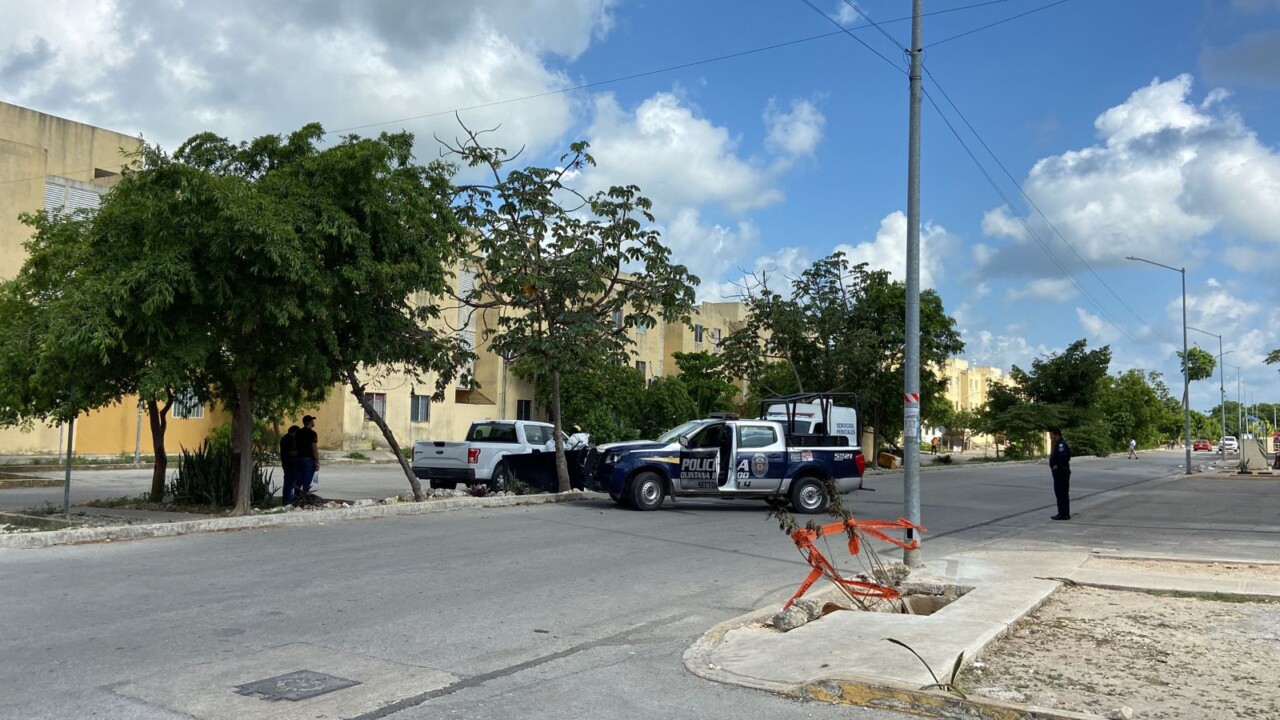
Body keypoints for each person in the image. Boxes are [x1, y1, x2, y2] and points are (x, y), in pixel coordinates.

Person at [1048, 427, 1071, 521]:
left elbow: (1064, 457)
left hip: (1061, 473)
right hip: (1059, 473)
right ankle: (1062, 513)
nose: (1050, 437)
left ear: (1056, 435)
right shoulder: (1058, 444)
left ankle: (1063, 514)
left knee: (1062, 494)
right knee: (1060, 494)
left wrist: (1057, 466)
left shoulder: (1061, 445)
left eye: (1051, 435)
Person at [295, 415, 320, 501]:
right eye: (312, 421)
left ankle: (296, 497)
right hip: (308, 459)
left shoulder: (298, 432)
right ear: (309, 422)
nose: (313, 423)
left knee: (298, 479)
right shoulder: (312, 433)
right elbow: (314, 448)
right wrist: (317, 461)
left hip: (298, 458)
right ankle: (304, 498)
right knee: (307, 481)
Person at [279, 425, 300, 505]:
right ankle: (287, 501)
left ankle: (287, 500)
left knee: (289, 482)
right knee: (289, 483)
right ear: (294, 432)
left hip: (288, 463)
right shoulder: (288, 440)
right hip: (289, 463)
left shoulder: (286, 438)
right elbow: (291, 452)